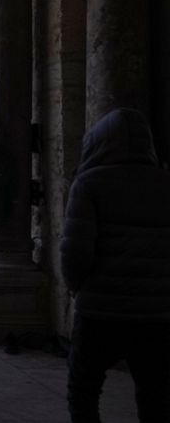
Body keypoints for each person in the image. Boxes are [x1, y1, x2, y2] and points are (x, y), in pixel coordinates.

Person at [61, 108, 170, 423]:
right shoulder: (164, 183)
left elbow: (75, 252)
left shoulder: (89, 185)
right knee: (156, 397)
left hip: (101, 312)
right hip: (156, 316)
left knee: (83, 391)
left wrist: (76, 287)